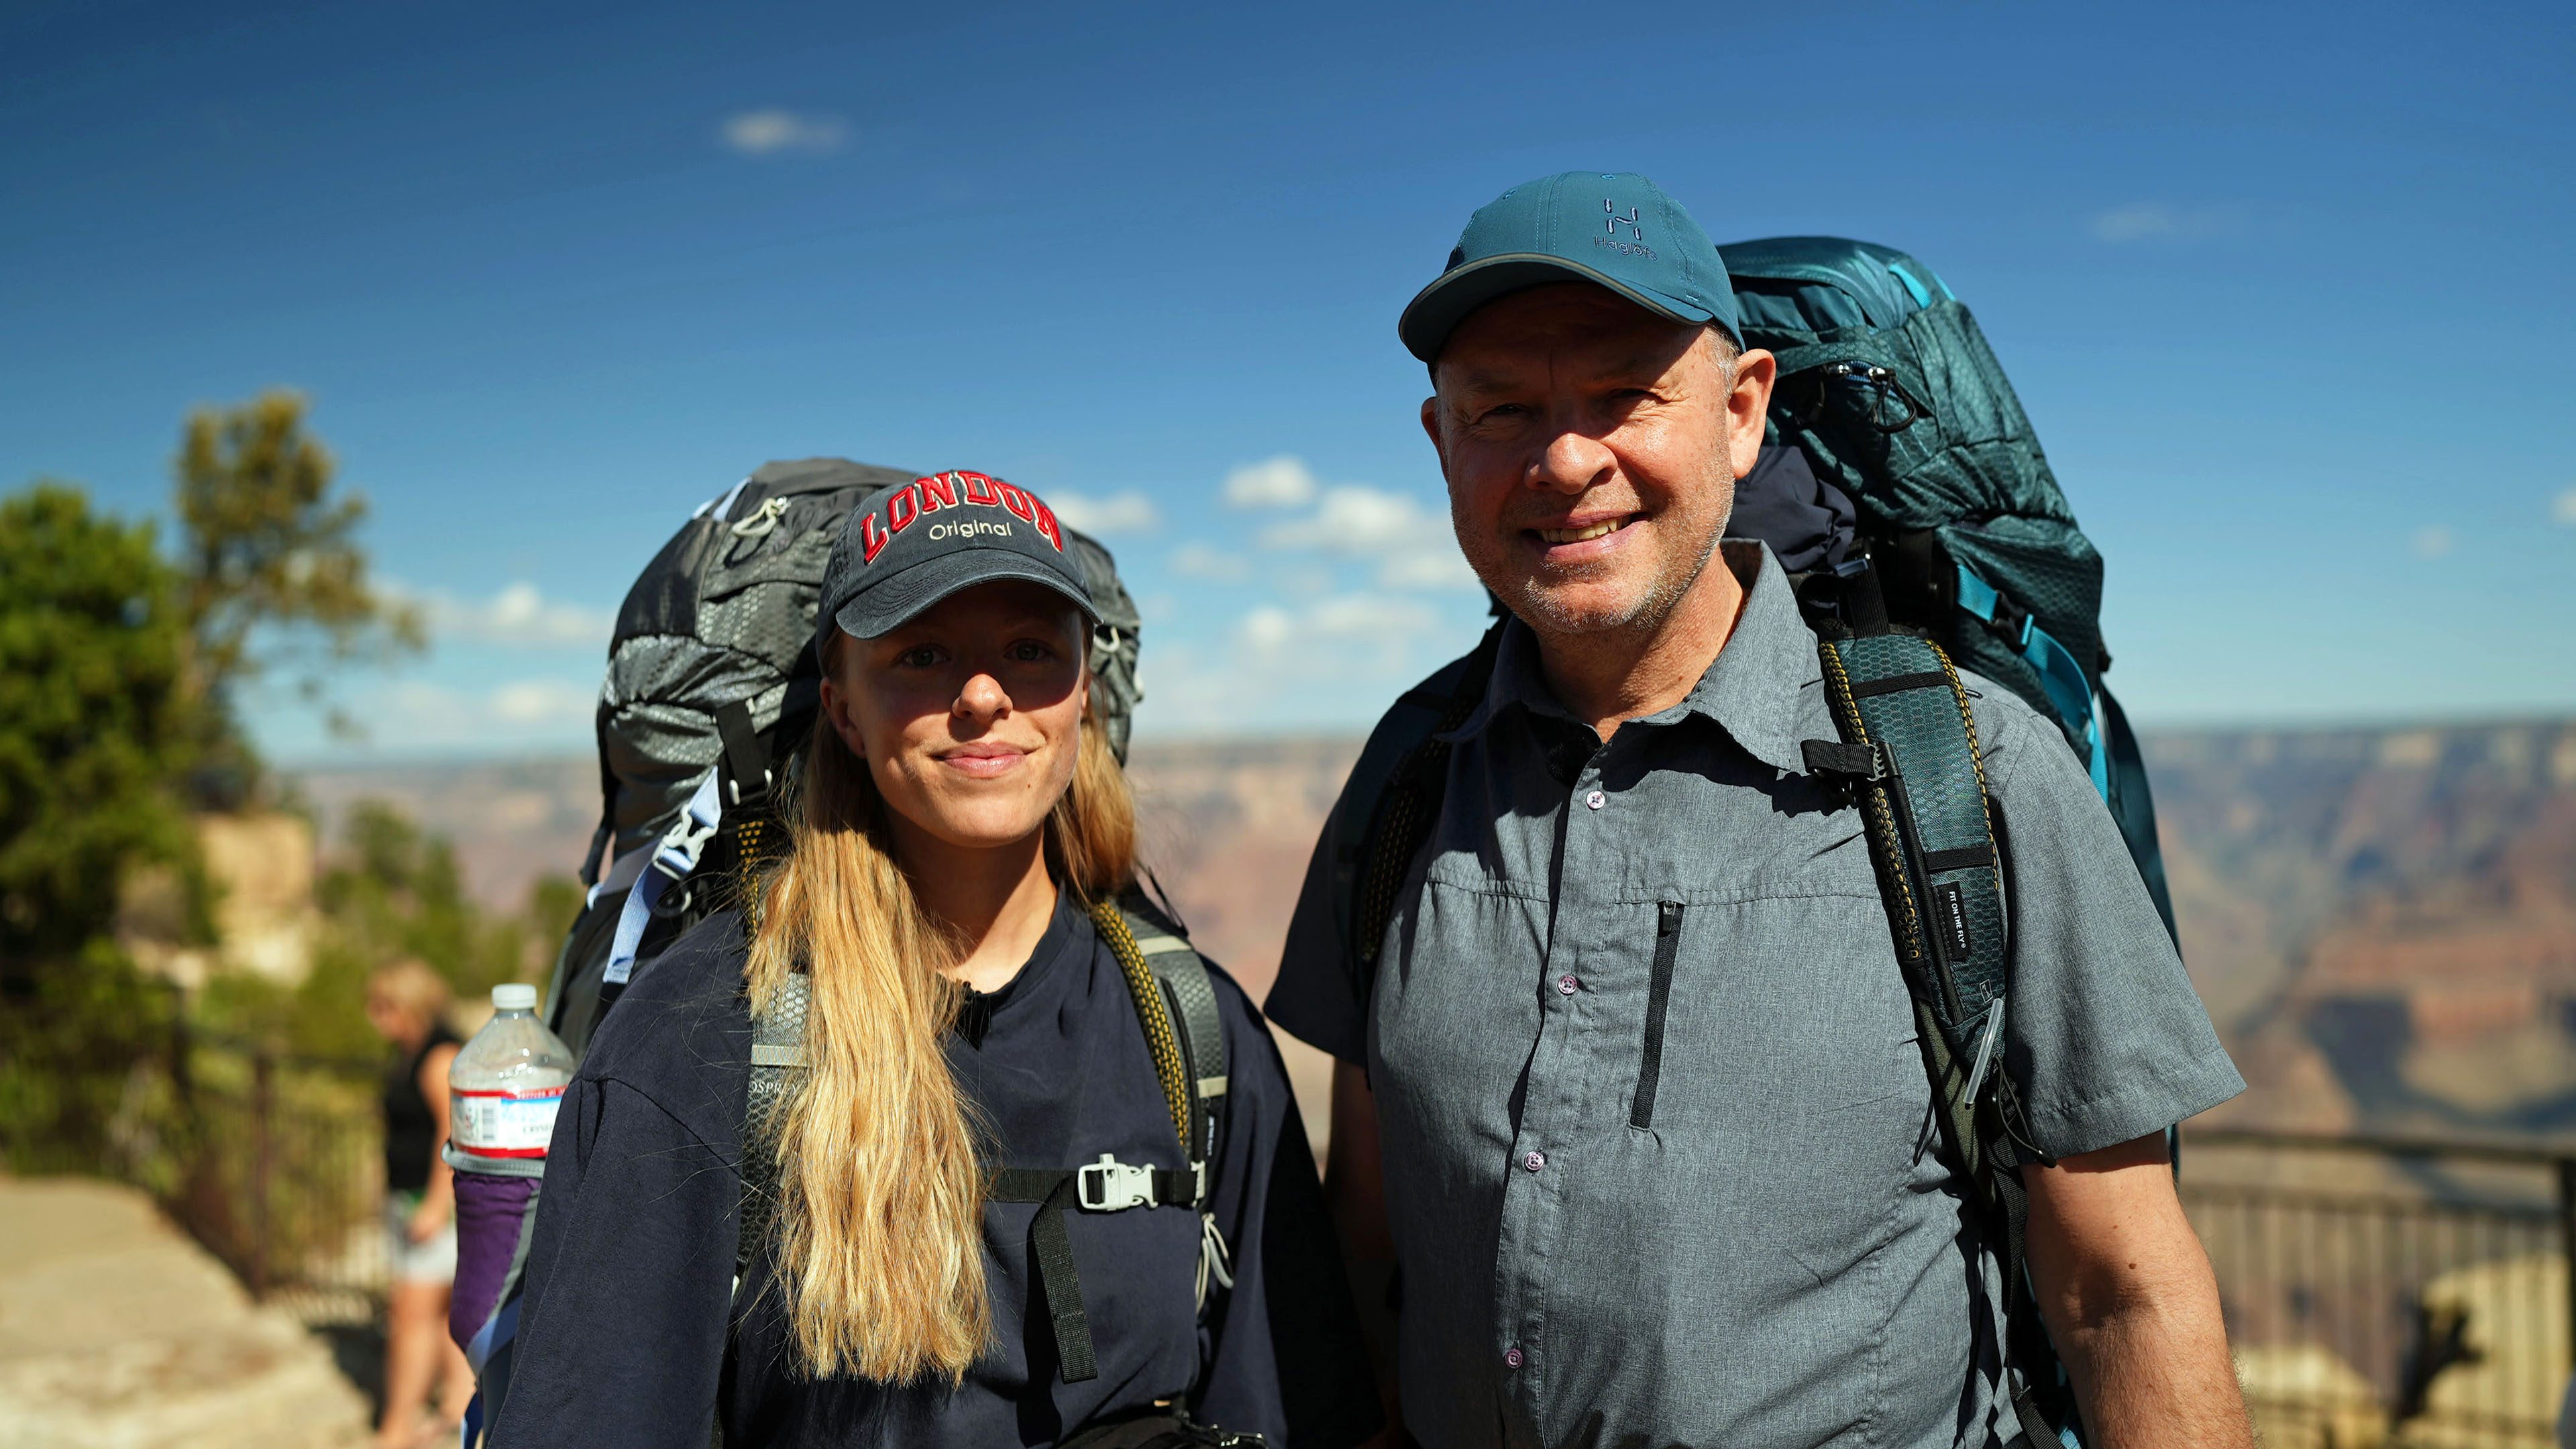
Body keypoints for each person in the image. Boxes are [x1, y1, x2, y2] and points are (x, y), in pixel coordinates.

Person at [1265, 172, 2256, 1448]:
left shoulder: (1970, 769)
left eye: (1626, 396)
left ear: (1743, 413)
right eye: (1502, 409)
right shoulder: (1412, 771)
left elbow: (2122, 1291)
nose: (1566, 460)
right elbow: (1372, 1226)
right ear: (1441, 442)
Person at [490, 474, 1383, 1448]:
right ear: (842, 710)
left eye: (1031, 650)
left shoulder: (1192, 1037)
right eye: (922, 655)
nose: (985, 697)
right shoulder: (704, 1042)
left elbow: (1293, 1409)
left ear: (1083, 692)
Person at [363, 958, 477, 1449]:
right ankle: (455, 1408)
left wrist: (434, 1206)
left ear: (411, 1006)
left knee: (411, 1315)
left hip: (434, 1207)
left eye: (384, 1007)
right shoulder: (408, 1053)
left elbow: (453, 1134)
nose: (375, 1018)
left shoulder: (438, 1055)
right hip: (413, 1202)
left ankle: (397, 1426)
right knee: (444, 1310)